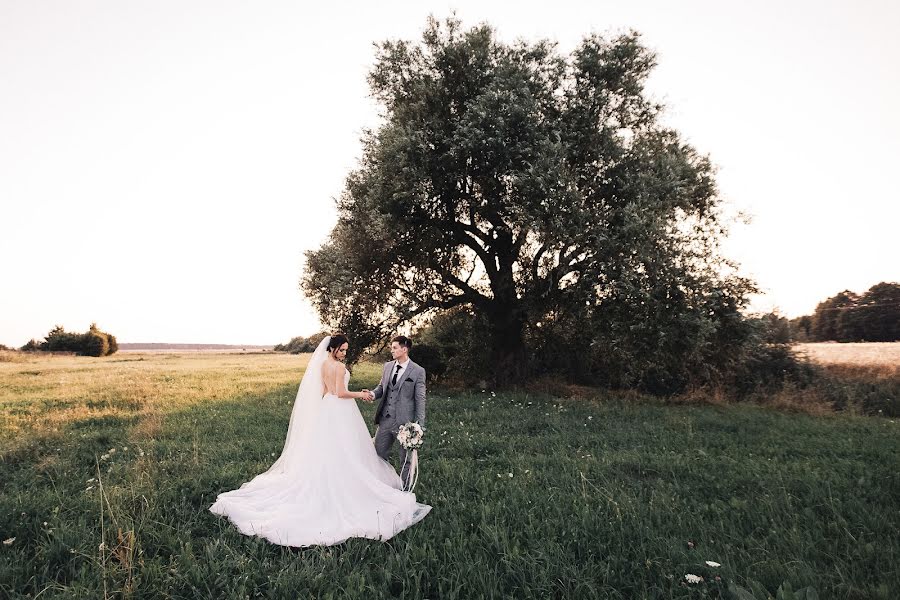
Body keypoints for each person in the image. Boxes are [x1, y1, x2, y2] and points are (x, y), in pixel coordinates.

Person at [209, 335, 431, 547]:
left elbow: (327, 391)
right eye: (342, 349)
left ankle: (367, 480)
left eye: (346, 350)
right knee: (350, 450)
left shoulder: (323, 364)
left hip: (328, 410)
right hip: (342, 410)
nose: (345, 353)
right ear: (333, 348)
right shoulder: (341, 367)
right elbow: (341, 393)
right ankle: (358, 484)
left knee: (330, 449)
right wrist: (362, 395)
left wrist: (417, 424)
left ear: (405, 349)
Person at [364, 335, 426, 489]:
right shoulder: (387, 366)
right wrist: (372, 394)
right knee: (377, 455)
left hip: (405, 424)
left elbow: (420, 399)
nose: (391, 350)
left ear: (404, 349)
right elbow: (382, 387)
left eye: (394, 347)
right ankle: (381, 487)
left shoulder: (418, 371)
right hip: (385, 419)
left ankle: (405, 490)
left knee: (405, 459)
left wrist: (419, 427)